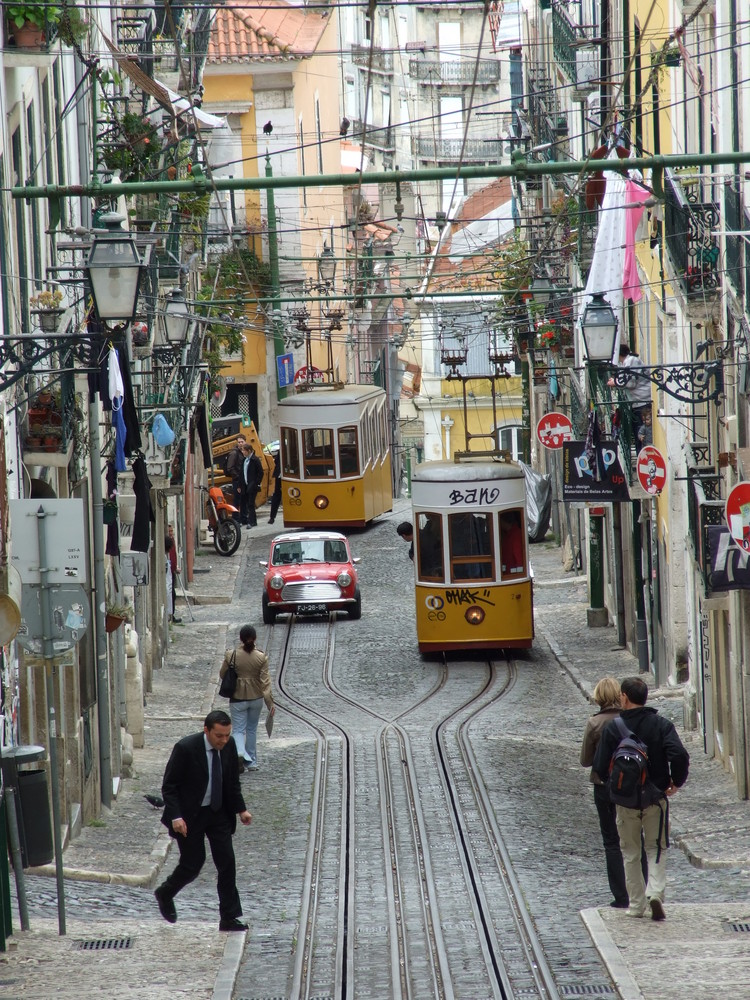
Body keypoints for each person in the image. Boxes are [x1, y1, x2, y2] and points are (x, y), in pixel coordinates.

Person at [593, 676, 689, 921]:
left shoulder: (614, 728)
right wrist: (675, 782)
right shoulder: (661, 724)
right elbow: (679, 754)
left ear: (624, 697)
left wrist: (615, 784)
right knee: (656, 847)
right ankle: (655, 892)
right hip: (655, 797)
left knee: (631, 851)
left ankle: (636, 905)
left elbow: (600, 766)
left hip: (625, 801)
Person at [154, 709, 252, 932]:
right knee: (192, 864)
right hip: (190, 816)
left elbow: (232, 783)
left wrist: (241, 810)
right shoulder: (186, 748)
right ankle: (165, 892)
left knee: (227, 862)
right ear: (206, 730)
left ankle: (229, 917)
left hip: (218, 813)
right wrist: (176, 816)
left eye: (227, 735)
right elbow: (169, 786)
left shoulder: (228, 747)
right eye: (219, 736)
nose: (224, 740)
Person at [580, 677, 631, 909]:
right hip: (629, 786)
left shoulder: (594, 724)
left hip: (603, 786)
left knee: (611, 841)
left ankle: (621, 896)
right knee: (633, 839)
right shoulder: (630, 721)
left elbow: (585, 761)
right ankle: (641, 890)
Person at [219, 625, 274, 772]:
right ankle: (252, 762)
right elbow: (265, 682)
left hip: (237, 698)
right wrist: (270, 704)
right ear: (255, 638)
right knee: (251, 730)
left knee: (238, 730)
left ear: (240, 639)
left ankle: (239, 754)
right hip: (256, 698)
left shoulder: (231, 655)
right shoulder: (261, 657)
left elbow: (222, 674)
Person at [608, 343, 652, 450]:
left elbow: (630, 383)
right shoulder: (626, 363)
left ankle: (644, 461)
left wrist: (615, 382)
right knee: (638, 437)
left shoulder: (631, 360)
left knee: (642, 437)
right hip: (638, 403)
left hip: (643, 402)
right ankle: (641, 461)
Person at [225, 434, 246, 525]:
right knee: (237, 500)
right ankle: (236, 519)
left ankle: (242, 518)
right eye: (239, 442)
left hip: (243, 480)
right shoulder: (234, 453)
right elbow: (230, 468)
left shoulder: (244, 452)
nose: (240, 443)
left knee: (243, 499)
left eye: (242, 442)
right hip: (237, 480)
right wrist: (238, 477)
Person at [242, 444, 264, 529]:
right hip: (246, 485)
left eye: (244, 450)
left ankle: (251, 521)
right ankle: (252, 520)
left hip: (252, 485)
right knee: (248, 503)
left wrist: (256, 483)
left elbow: (260, 472)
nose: (243, 452)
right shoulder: (245, 460)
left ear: (249, 451)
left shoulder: (255, 459)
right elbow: (243, 472)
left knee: (251, 504)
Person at [167, 525, 181, 624]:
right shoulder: (168, 542)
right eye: (170, 531)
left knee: (172, 594)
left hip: (172, 571)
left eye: (172, 531)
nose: (171, 533)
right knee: (171, 594)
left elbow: (174, 556)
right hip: (168, 571)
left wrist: (175, 567)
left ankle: (172, 615)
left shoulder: (172, 540)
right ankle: (171, 615)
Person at [268, 448, 282, 524]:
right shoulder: (286, 448)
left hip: (279, 475)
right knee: (276, 495)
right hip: (280, 475)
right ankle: (272, 517)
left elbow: (276, 462)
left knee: (276, 495)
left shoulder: (282, 449)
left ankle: (272, 517)